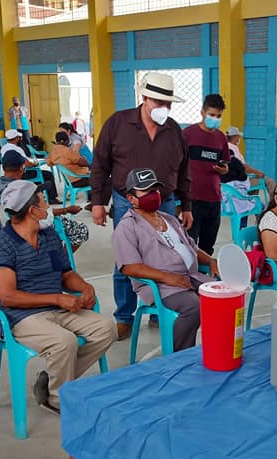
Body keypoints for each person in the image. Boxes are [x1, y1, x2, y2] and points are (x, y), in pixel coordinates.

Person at [0, 180, 116, 413]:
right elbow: (8, 297)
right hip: (19, 317)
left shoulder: (47, 235)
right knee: (64, 342)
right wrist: (58, 299)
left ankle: (53, 379)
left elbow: (65, 273)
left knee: (106, 329)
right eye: (44, 202)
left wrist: (85, 288)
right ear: (33, 211)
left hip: (55, 308)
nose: (49, 207)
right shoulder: (0, 245)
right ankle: (56, 399)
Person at [89, 71, 191, 341]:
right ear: (144, 98)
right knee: (127, 259)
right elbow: (99, 164)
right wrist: (97, 202)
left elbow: (183, 171)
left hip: (164, 202)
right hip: (127, 201)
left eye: (167, 104)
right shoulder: (118, 124)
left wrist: (187, 205)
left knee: (167, 256)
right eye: (158, 102)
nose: (163, 108)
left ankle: (161, 308)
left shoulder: (174, 131)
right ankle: (125, 316)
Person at [113, 169, 217, 351]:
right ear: (131, 198)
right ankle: (179, 357)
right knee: (194, 307)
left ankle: (216, 350)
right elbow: (129, 267)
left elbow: (192, 247)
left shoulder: (170, 219)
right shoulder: (127, 227)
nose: (153, 194)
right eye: (146, 191)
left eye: (155, 190)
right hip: (162, 286)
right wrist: (168, 277)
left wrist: (210, 261)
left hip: (190, 276)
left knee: (225, 295)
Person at [0, 152, 88, 251]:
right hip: (38, 224)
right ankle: (63, 257)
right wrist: (65, 210)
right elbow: (40, 213)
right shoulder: (21, 190)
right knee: (81, 230)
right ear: (21, 169)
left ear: (3, 168)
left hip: (23, 223)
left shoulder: (2, 187)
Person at [184, 94, 230, 255]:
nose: (215, 119)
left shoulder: (221, 137)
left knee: (208, 247)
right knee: (189, 245)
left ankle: (205, 272)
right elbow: (176, 165)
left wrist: (224, 170)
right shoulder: (188, 134)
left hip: (214, 199)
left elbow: (225, 164)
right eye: (212, 115)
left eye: (218, 116)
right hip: (192, 199)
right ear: (202, 112)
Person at [1, 129, 61, 204]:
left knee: (40, 174)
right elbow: (27, 164)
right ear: (16, 139)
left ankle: (37, 195)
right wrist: (35, 164)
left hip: (9, 174)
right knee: (47, 174)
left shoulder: (3, 148)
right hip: (21, 174)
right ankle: (51, 198)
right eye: (19, 138)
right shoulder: (17, 149)